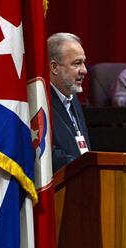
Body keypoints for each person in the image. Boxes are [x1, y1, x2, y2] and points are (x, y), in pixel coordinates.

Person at [48, 32, 91, 172]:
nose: (84, 70)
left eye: (84, 62)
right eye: (77, 63)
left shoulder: (73, 98)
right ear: (54, 67)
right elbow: (45, 155)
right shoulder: (40, 102)